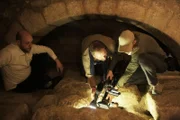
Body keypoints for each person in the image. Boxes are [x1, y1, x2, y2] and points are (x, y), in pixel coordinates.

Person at [107, 30, 167, 95]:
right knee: (128, 77)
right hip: (145, 63)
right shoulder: (127, 37)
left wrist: (117, 87)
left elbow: (130, 70)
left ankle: (155, 84)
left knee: (141, 60)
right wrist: (110, 69)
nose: (126, 52)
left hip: (159, 63)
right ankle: (143, 82)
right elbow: (117, 54)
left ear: (134, 42)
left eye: (127, 50)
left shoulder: (139, 48)